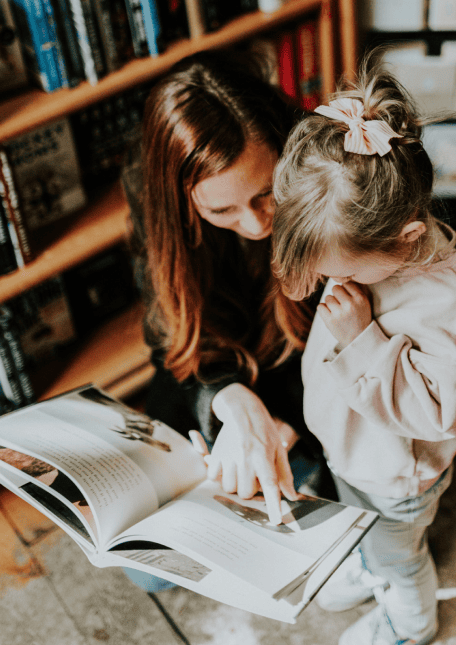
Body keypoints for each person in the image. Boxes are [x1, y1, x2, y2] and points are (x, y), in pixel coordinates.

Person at [271, 53, 456, 645]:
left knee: (401, 553)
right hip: (360, 449)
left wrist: (363, 340)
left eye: (341, 271)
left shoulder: (443, 307)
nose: (333, 282)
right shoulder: (375, 241)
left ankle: (410, 622)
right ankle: (370, 563)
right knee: (365, 526)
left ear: (408, 237)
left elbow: (435, 410)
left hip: (398, 472)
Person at [120, 50, 333, 592]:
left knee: (301, 515)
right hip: (212, 375)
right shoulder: (153, 202)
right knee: (145, 570)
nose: (257, 224)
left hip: (311, 376)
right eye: (222, 212)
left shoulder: (324, 174)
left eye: (267, 193)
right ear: (182, 203)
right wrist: (227, 399)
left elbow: (344, 343)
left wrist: (287, 426)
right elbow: (168, 335)